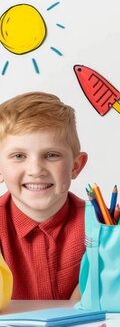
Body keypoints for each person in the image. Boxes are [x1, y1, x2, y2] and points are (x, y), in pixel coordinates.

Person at [0, 92, 89, 299]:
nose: (36, 170)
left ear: (75, 166)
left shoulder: (104, 226)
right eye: (19, 156)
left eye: (51, 155)